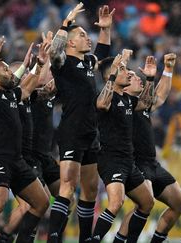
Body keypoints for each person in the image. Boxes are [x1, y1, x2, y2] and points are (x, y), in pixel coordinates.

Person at [0, 36, 50, 243]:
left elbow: (27, 87)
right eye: (5, 69)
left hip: (17, 160)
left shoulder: (12, 95)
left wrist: (40, 64)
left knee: (41, 203)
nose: (10, 72)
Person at [47, 3, 114, 243]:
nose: (88, 38)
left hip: (90, 132)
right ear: (71, 43)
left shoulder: (87, 62)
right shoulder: (62, 63)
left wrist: (105, 29)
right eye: (83, 36)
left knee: (91, 189)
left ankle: (85, 238)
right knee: (67, 186)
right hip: (71, 130)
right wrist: (65, 24)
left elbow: (104, 54)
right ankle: (53, 237)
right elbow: (53, 52)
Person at [109, 53, 181, 243]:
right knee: (144, 204)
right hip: (136, 165)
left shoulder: (142, 105)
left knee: (180, 202)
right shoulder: (122, 105)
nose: (138, 79)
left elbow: (159, 96)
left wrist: (168, 70)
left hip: (152, 164)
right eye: (134, 77)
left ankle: (157, 240)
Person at [91, 54, 156, 243]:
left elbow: (146, 103)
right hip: (111, 161)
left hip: (129, 162)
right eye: (123, 69)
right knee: (116, 203)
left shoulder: (127, 100)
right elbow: (101, 104)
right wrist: (111, 77)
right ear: (111, 74)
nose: (128, 72)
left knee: (147, 203)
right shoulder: (106, 97)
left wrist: (150, 78)